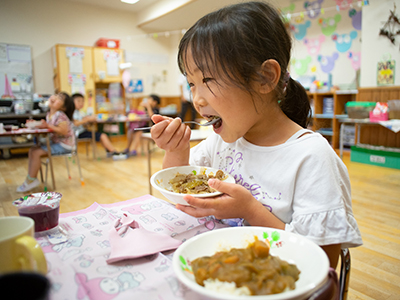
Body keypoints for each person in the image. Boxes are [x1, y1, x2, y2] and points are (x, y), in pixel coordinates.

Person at [149, 1, 362, 268]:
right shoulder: (219, 141)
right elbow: (179, 197)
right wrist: (176, 151)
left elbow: (323, 265)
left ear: (265, 78)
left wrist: (250, 210)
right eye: (192, 83)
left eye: (208, 80)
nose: (197, 100)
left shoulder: (311, 157)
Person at [17, 92, 76, 192]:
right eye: (55, 95)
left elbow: (63, 131)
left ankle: (31, 179)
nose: (55, 98)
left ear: (64, 108)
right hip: (56, 143)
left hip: (65, 145)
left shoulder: (60, 115)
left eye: (59, 99)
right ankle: (31, 178)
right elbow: (49, 131)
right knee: (32, 150)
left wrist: (47, 126)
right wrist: (37, 125)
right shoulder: (50, 115)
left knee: (36, 152)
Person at [71, 93, 124, 159]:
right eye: (78, 101)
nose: (81, 103)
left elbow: (83, 122)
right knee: (102, 135)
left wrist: (89, 121)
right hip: (77, 133)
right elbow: (75, 123)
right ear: (72, 102)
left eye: (82, 101)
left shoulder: (80, 112)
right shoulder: (72, 112)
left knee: (100, 135)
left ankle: (109, 151)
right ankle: (113, 152)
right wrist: (87, 119)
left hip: (83, 131)